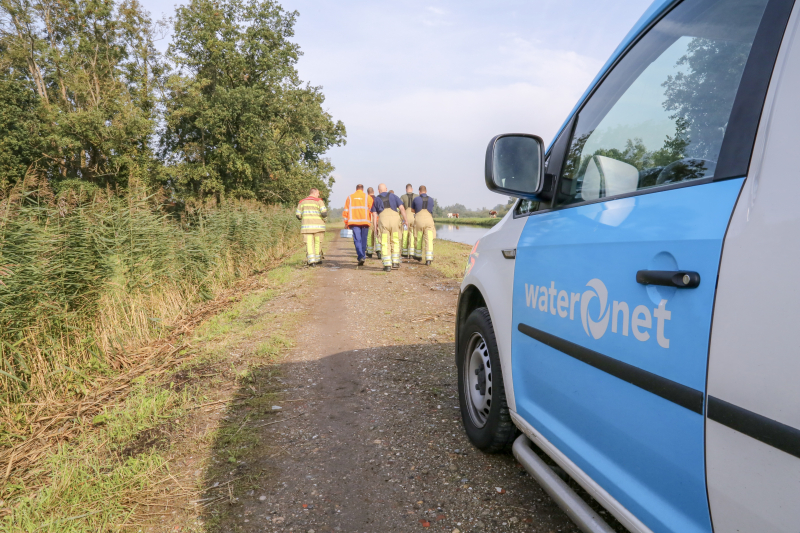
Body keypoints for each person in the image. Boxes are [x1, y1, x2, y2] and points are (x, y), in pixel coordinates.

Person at [370, 184, 409, 272]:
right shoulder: (394, 196)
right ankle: (395, 262)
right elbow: (402, 208)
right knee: (395, 240)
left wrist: (375, 226)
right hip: (395, 220)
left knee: (384, 242)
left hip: (383, 220)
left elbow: (374, 214)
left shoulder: (376, 199)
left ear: (378, 190)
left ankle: (387, 265)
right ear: (386, 189)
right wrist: (405, 220)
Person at [342, 184, 373, 266]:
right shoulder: (368, 197)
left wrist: (346, 223)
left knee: (357, 240)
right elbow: (372, 210)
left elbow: (346, 210)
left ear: (356, 189)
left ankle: (361, 256)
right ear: (362, 189)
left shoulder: (350, 197)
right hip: (365, 222)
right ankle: (362, 256)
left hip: (354, 222)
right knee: (364, 240)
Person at [295, 188, 327, 266]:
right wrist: (324, 220)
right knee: (317, 243)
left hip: (307, 228)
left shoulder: (302, 202)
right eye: (318, 193)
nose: (319, 195)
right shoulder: (319, 201)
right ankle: (318, 259)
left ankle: (311, 261)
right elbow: (324, 214)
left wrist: (304, 218)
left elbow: (298, 215)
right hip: (318, 227)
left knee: (309, 243)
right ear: (315, 193)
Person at [411, 185, 436, 265]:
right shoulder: (431, 199)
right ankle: (429, 259)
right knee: (429, 239)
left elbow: (412, 210)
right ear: (426, 191)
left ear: (419, 191)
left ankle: (418, 256)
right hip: (429, 220)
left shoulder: (416, 199)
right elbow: (431, 209)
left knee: (418, 238)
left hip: (419, 220)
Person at [400, 184, 418, 259]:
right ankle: (411, 253)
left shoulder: (402, 197)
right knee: (412, 234)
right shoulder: (417, 196)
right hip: (414, 217)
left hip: (406, 216)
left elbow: (400, 208)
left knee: (405, 233)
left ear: (406, 189)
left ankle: (404, 252)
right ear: (412, 189)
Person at [365, 187, 380, 258]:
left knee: (370, 235)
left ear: (367, 192)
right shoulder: (377, 199)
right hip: (377, 218)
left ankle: (370, 252)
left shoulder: (366, 199)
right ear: (373, 191)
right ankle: (379, 250)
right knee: (377, 234)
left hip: (369, 218)